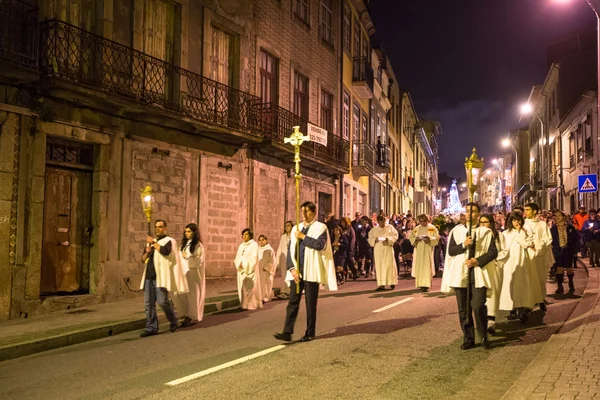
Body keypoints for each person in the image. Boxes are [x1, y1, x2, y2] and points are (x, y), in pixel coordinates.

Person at [274, 201, 337, 342]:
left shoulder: (321, 227)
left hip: (311, 270)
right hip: (297, 271)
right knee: (292, 302)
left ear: (313, 213)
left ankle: (310, 332)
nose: (303, 214)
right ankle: (287, 331)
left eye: (306, 212)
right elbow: (290, 250)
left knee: (310, 303)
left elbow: (320, 245)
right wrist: (292, 269)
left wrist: (303, 237)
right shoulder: (297, 227)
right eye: (302, 211)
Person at [441, 203, 498, 349]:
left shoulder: (486, 232)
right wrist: (463, 244)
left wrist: (477, 261)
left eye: (472, 212)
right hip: (461, 272)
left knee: (478, 305)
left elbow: (493, 252)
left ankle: (483, 333)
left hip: (478, 272)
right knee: (464, 309)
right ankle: (469, 338)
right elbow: (452, 251)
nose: (469, 214)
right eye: (467, 211)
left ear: (478, 214)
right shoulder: (457, 231)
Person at [139, 220, 189, 337]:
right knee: (148, 304)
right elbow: (143, 259)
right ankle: (151, 327)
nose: (157, 229)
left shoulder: (169, 241)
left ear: (165, 228)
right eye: (156, 227)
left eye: (160, 227)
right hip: (148, 277)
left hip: (160, 277)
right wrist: (147, 251)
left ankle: (173, 320)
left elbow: (166, 252)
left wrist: (153, 243)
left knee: (163, 302)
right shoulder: (151, 243)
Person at [499, 212, 535, 323]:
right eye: (514, 220)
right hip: (509, 263)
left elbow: (526, 243)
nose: (516, 223)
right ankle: (512, 309)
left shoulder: (525, 232)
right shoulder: (505, 234)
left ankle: (521, 309)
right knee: (510, 285)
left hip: (521, 261)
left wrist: (520, 232)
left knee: (521, 285)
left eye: (518, 220)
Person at [524, 202, 554, 312]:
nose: (525, 212)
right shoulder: (523, 224)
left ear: (535, 211)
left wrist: (539, 247)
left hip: (541, 256)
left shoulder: (542, 224)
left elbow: (548, 239)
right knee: (529, 280)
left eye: (528, 210)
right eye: (525, 210)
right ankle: (529, 303)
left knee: (541, 279)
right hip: (528, 256)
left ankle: (541, 300)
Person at [174, 223, 205, 326]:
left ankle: (191, 315)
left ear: (194, 232)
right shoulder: (184, 244)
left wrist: (186, 256)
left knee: (192, 295)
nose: (186, 233)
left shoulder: (198, 245)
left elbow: (198, 260)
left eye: (189, 231)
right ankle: (184, 312)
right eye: (186, 231)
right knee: (181, 293)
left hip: (192, 273)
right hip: (182, 272)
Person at [478, 214, 504, 335]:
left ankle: (491, 320)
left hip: (494, 267)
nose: (483, 225)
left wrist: (497, 261)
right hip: (481, 268)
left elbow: (504, 251)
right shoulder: (476, 235)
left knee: (493, 293)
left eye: (486, 222)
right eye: (481, 222)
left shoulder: (498, 235)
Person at [368, 214, 399, 290]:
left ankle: (392, 282)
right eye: (380, 222)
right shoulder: (374, 229)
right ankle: (382, 284)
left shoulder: (390, 228)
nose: (382, 224)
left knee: (389, 265)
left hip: (388, 248)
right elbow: (370, 238)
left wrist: (388, 239)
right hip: (379, 249)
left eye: (383, 222)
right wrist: (375, 240)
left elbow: (395, 236)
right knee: (380, 266)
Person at [234, 228, 262, 310]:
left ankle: (250, 305)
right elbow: (237, 257)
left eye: (246, 234)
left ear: (250, 236)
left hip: (250, 269)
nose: (244, 236)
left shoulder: (254, 245)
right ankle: (243, 304)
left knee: (249, 288)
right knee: (242, 287)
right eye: (243, 234)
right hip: (241, 270)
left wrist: (246, 264)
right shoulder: (241, 245)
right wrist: (239, 263)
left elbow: (254, 257)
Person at [551, 211, 579, 294]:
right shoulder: (553, 229)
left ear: (564, 217)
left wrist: (574, 248)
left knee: (569, 268)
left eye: (559, 216)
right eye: (555, 216)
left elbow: (576, 238)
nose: (557, 217)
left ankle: (571, 283)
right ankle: (560, 286)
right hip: (558, 251)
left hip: (568, 250)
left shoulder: (570, 227)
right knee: (559, 268)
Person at [409, 214, 439, 292]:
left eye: (424, 221)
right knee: (419, 266)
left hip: (427, 250)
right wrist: (416, 239)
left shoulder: (432, 228)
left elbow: (436, 237)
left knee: (426, 266)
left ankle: (426, 285)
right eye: (421, 221)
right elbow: (411, 237)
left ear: (427, 221)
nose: (422, 223)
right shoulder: (416, 229)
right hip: (418, 250)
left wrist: (429, 239)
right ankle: (420, 283)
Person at [276, 221, 293, 300]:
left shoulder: (294, 236)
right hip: (283, 257)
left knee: (290, 274)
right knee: (283, 274)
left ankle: (289, 291)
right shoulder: (283, 236)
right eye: (286, 226)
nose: (287, 227)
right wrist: (277, 259)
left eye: (288, 225)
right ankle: (283, 291)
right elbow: (280, 247)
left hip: (291, 257)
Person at [258, 235, 276, 303]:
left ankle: (265, 298)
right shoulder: (257, 249)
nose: (261, 241)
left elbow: (273, 261)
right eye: (260, 240)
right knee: (259, 285)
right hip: (259, 270)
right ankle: (259, 297)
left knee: (266, 284)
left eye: (263, 240)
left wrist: (267, 267)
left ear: (266, 240)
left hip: (266, 271)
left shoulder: (270, 250)